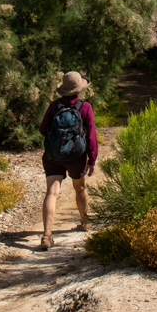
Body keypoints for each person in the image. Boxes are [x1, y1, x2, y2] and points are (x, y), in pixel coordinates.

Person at [38, 71, 97, 250]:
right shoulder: (85, 107)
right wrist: (91, 159)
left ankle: (47, 235)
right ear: (79, 89)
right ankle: (84, 222)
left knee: (52, 192)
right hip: (76, 156)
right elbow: (92, 136)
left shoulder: (54, 106)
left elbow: (42, 129)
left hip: (53, 155)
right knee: (79, 188)